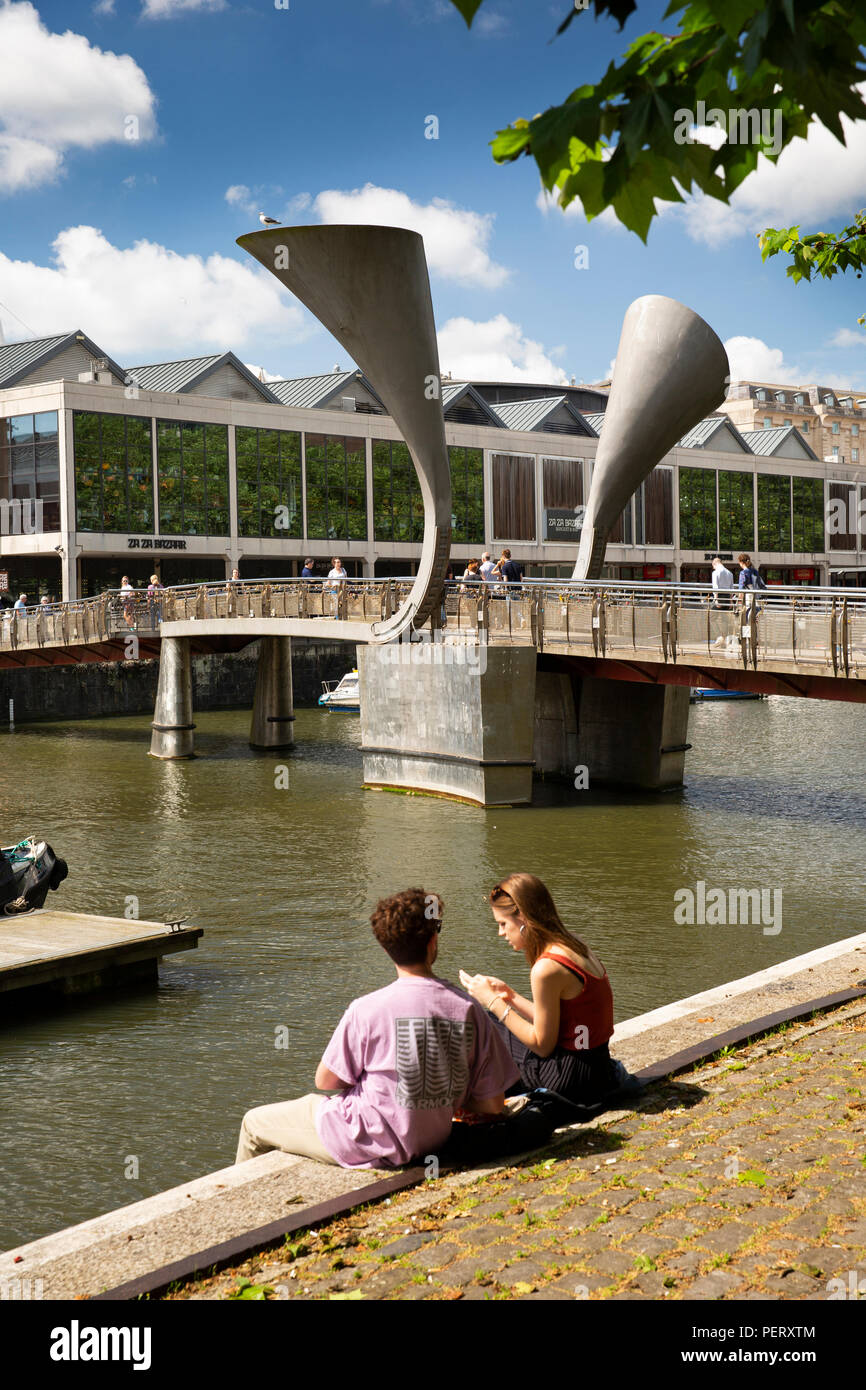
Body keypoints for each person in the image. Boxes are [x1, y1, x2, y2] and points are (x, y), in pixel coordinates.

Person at [235, 888, 517, 1168]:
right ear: (433, 941)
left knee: (253, 1123)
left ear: (385, 948)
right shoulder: (468, 1008)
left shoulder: (367, 1008)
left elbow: (326, 1082)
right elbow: (493, 1105)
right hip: (430, 1141)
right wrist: (439, 1099)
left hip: (362, 1139)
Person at [462, 873, 629, 1106]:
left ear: (523, 918)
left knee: (483, 1023)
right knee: (492, 1024)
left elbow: (542, 1045)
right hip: (597, 1070)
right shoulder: (576, 946)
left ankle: (481, 1103)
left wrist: (492, 1001)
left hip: (568, 1078)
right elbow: (560, 1023)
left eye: (503, 924)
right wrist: (510, 996)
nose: (500, 933)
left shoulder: (546, 968)